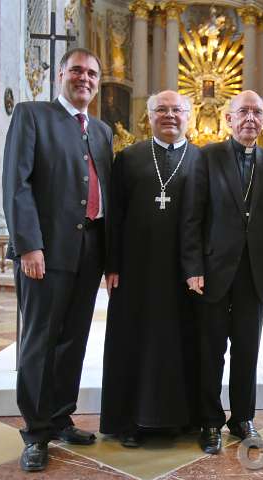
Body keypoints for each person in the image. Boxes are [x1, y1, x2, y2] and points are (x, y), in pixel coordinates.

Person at [2, 48, 112, 472]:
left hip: (89, 255)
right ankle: (35, 431)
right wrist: (29, 245)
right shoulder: (32, 115)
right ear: (61, 74)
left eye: (92, 74)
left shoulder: (101, 131)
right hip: (44, 254)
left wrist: (111, 259)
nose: (85, 78)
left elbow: (107, 197)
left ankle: (61, 416)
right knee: (39, 342)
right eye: (77, 71)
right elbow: (18, 184)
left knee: (73, 340)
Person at [182, 90, 263, 455]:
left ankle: (242, 419)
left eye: (257, 112)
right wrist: (193, 266)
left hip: (254, 273)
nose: (250, 118)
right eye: (243, 111)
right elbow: (193, 216)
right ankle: (210, 421)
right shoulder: (206, 156)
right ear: (229, 119)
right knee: (212, 350)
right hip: (213, 271)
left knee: (248, 350)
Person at [100, 91, 202, 447]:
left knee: (180, 343)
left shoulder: (201, 159)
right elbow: (115, 216)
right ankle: (130, 421)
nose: (169, 115)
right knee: (134, 343)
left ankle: (180, 420)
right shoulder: (128, 158)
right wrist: (111, 265)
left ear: (189, 115)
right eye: (162, 109)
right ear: (149, 116)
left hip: (185, 274)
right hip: (135, 271)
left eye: (176, 110)